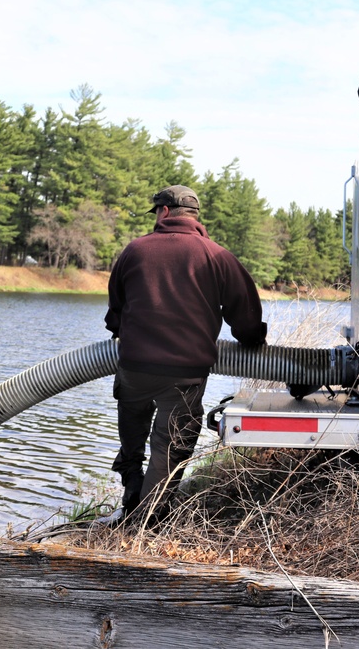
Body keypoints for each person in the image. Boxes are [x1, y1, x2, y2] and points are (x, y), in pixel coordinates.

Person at [104, 185, 267, 525]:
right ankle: (144, 523)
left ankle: (131, 489)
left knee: (133, 437)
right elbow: (247, 316)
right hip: (185, 374)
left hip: (134, 368)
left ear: (163, 212)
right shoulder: (216, 255)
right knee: (168, 448)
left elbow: (115, 310)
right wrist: (251, 340)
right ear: (193, 216)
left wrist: (121, 329)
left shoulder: (134, 251)